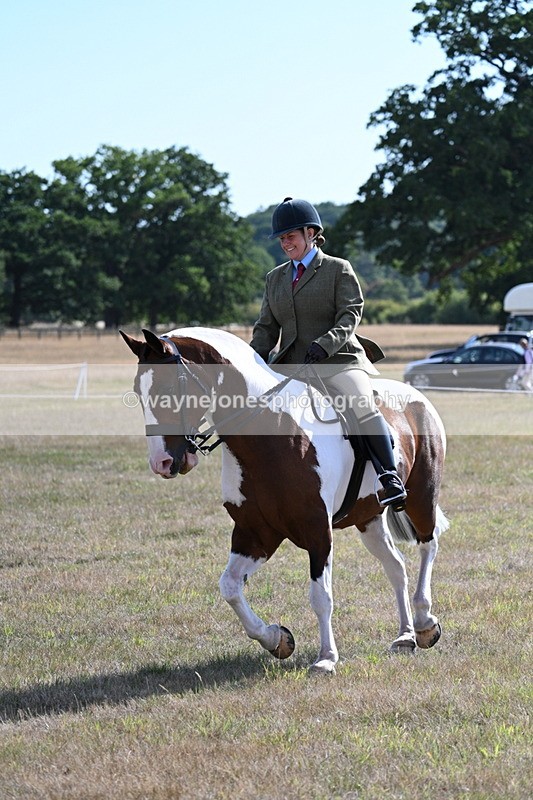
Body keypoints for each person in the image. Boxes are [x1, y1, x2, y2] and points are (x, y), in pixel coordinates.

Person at [250, 197, 407, 511]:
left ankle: (389, 478)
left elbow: (351, 314)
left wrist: (326, 343)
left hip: (338, 360)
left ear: (311, 233)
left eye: (290, 236)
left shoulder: (337, 269)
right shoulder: (275, 278)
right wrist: (251, 361)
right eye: (281, 238)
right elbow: (266, 327)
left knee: (362, 405)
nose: (285, 242)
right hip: (291, 365)